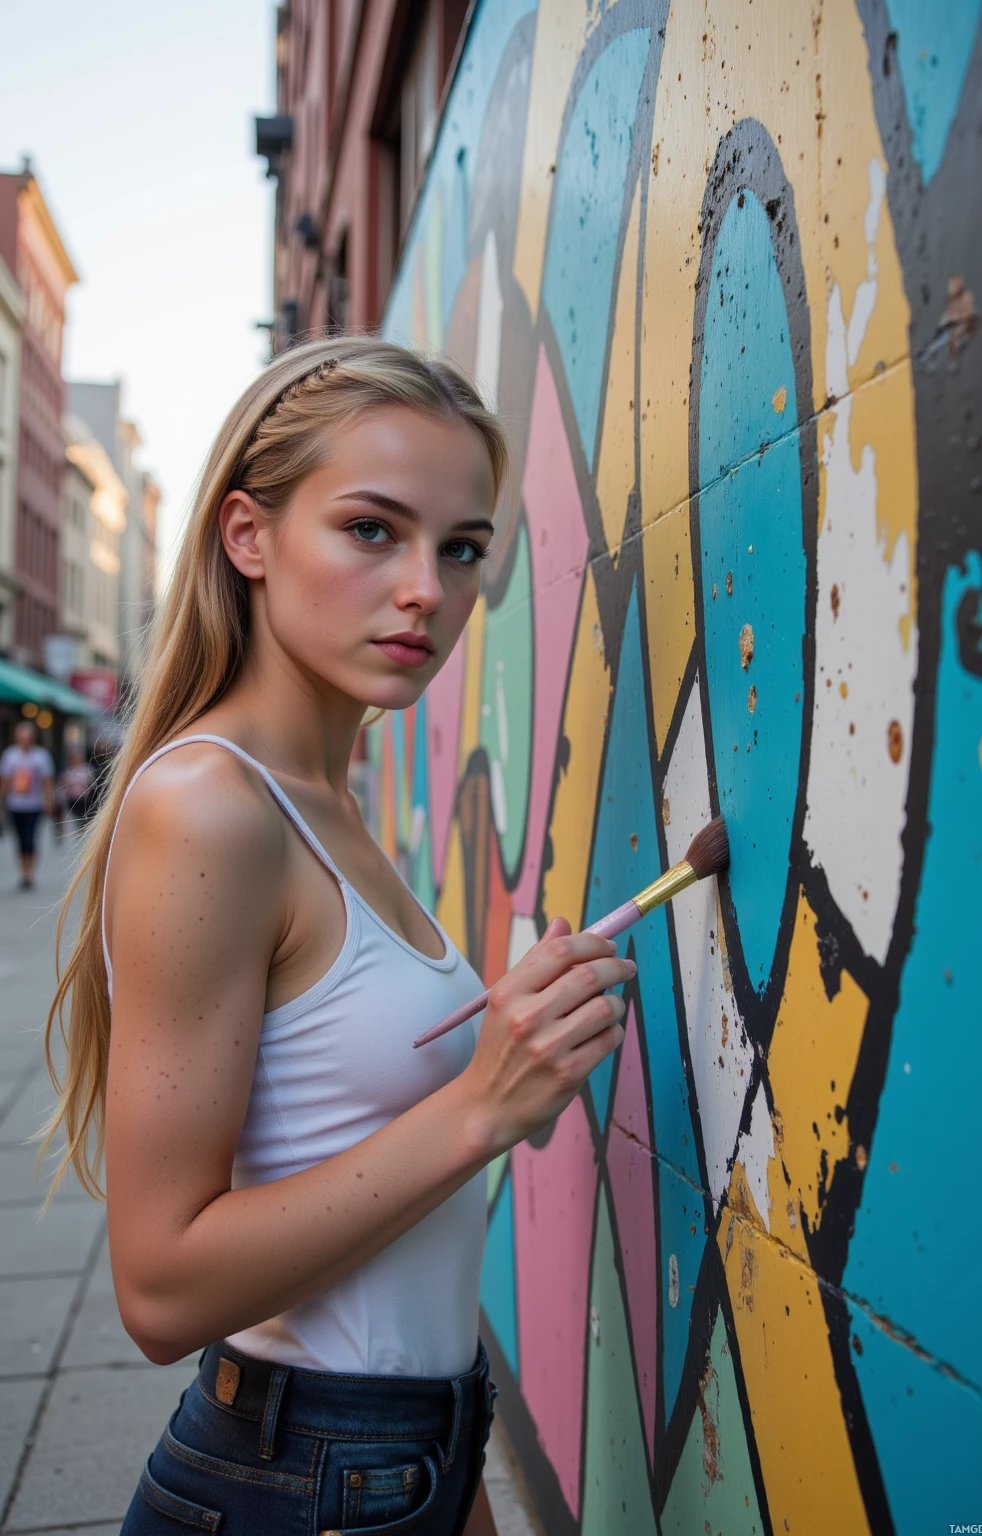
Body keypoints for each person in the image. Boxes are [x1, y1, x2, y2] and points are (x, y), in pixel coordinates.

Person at [43, 338, 632, 1535]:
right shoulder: (210, 807)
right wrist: (481, 1105)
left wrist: (453, 1469)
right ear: (247, 536)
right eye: (371, 530)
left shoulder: (325, 803)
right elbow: (159, 1289)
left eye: (462, 548)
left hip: (399, 1458)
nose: (427, 587)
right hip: (294, 1477)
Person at [0, 720, 55, 888]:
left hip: (34, 805)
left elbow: (47, 781)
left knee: (30, 839)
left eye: (28, 736)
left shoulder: (41, 756)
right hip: (15, 804)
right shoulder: (10, 756)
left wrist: (49, 801)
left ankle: (29, 874)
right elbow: (5, 782)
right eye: (22, 736)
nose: (25, 739)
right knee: (20, 840)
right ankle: (23, 871)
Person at [57, 747, 95, 835]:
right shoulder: (67, 772)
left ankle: (82, 829)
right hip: (72, 800)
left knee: (83, 816)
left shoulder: (87, 770)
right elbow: (61, 786)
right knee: (74, 819)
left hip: (84, 799)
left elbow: (92, 784)